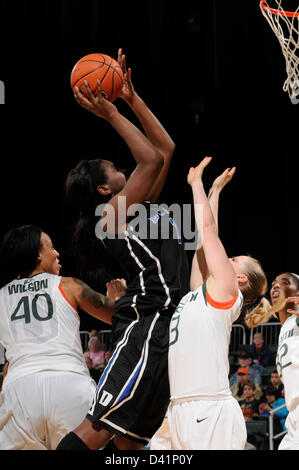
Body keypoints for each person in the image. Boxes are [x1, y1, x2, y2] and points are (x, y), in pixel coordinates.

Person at [57, 49, 189, 451]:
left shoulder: (135, 202)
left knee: (131, 443)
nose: (123, 168)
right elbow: (149, 158)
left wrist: (130, 98)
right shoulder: (108, 215)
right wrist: (111, 113)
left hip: (165, 322)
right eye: (115, 167)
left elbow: (164, 149)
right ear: (103, 189)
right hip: (145, 320)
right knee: (96, 430)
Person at [165, 156, 271, 450]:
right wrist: (213, 192)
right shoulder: (202, 292)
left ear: (240, 279)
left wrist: (196, 184)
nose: (227, 258)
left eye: (234, 260)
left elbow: (210, 230)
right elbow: (203, 239)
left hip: (209, 409)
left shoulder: (227, 292)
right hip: (180, 406)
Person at [0, 225, 120, 450]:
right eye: (51, 247)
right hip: (70, 385)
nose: (57, 253)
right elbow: (118, 315)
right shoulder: (68, 285)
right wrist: (119, 297)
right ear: (37, 254)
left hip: (20, 392)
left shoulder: (2, 296)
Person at [245, 272, 299, 450]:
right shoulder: (285, 328)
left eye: (284, 282)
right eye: (274, 283)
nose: (275, 286)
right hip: (294, 417)